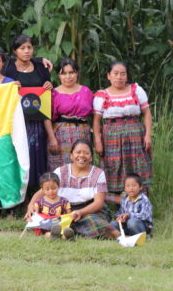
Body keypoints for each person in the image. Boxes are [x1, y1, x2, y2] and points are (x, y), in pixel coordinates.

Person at [26, 140, 120, 239]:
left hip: (90, 211)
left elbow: (99, 202)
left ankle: (63, 233)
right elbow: (43, 191)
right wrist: (31, 205)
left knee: (92, 221)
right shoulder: (60, 172)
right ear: (71, 155)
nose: (82, 155)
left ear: (91, 157)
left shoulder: (98, 173)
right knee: (55, 219)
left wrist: (80, 212)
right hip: (63, 210)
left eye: (86, 153)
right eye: (78, 152)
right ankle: (62, 233)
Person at [92, 61, 152, 204]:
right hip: (111, 137)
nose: (119, 77)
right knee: (114, 165)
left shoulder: (136, 90)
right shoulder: (102, 95)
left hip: (136, 134)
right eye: (116, 73)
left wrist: (148, 135)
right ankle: (119, 202)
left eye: (123, 74)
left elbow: (147, 113)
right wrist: (98, 140)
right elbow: (96, 121)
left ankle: (141, 201)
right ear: (108, 76)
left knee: (136, 164)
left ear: (127, 76)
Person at [2, 34, 56, 187]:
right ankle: (21, 190)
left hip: (37, 121)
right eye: (22, 48)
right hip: (17, 121)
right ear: (15, 51)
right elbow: (1, 86)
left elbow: (47, 94)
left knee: (37, 154)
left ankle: (36, 189)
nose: (26, 51)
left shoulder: (41, 67)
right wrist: (10, 86)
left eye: (29, 48)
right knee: (18, 154)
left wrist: (48, 86)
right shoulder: (8, 68)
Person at [50, 58, 93, 171]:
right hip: (61, 134)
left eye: (71, 72)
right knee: (62, 166)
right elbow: (47, 119)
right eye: (64, 73)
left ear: (77, 73)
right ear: (59, 75)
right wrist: (52, 138)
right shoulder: (53, 93)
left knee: (82, 161)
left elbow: (94, 115)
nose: (68, 77)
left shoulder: (86, 91)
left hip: (82, 132)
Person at [29, 172, 72, 239]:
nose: (51, 191)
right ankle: (53, 235)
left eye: (54, 188)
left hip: (60, 224)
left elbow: (69, 215)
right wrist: (31, 218)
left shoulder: (64, 201)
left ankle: (66, 235)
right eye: (47, 189)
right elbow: (36, 216)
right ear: (42, 189)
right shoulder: (39, 202)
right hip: (45, 226)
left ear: (58, 186)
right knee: (47, 234)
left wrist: (72, 216)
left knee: (63, 231)